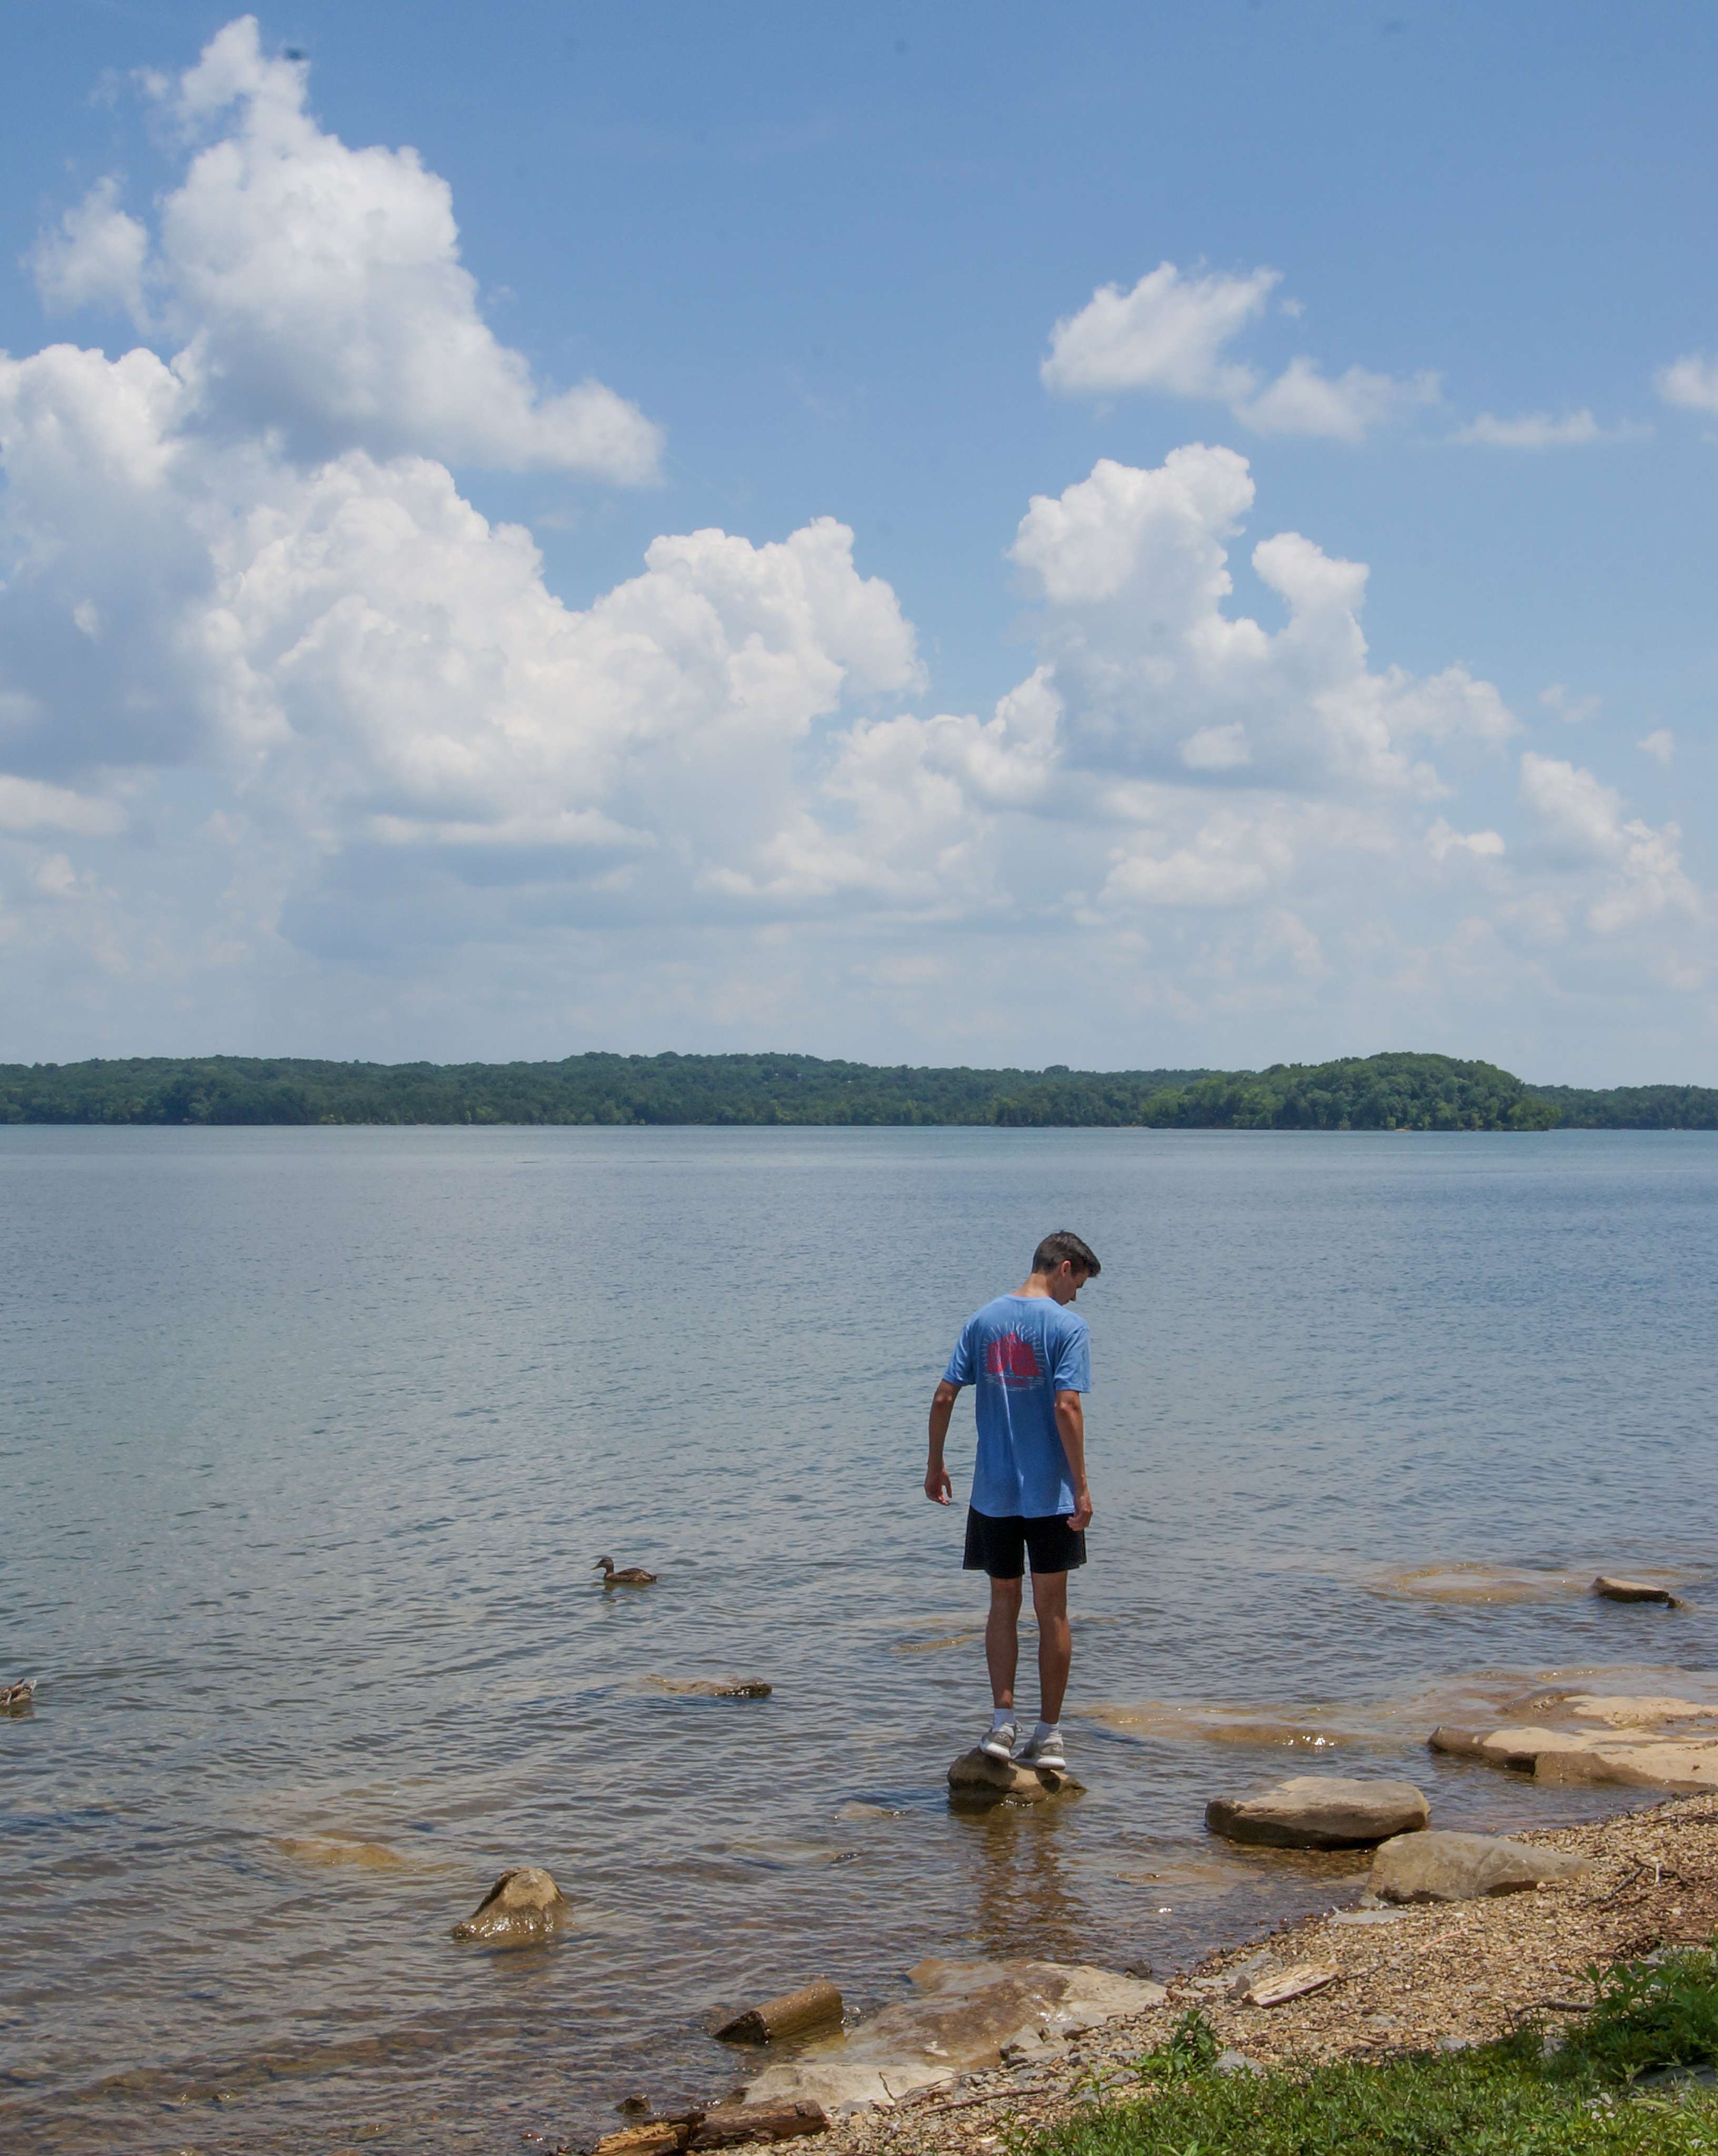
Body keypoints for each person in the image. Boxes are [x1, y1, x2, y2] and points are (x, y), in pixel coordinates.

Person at [924, 1230, 1100, 1775]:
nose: (1076, 1297)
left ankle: (1003, 1722)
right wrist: (1084, 1486)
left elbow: (945, 1393)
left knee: (1003, 1604)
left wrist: (935, 1463)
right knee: (1053, 1611)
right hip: (1051, 1496)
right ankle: (1048, 1735)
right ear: (1064, 1267)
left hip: (994, 1493)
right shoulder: (1069, 1327)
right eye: (1079, 1285)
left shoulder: (983, 1321)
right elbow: (1067, 1407)